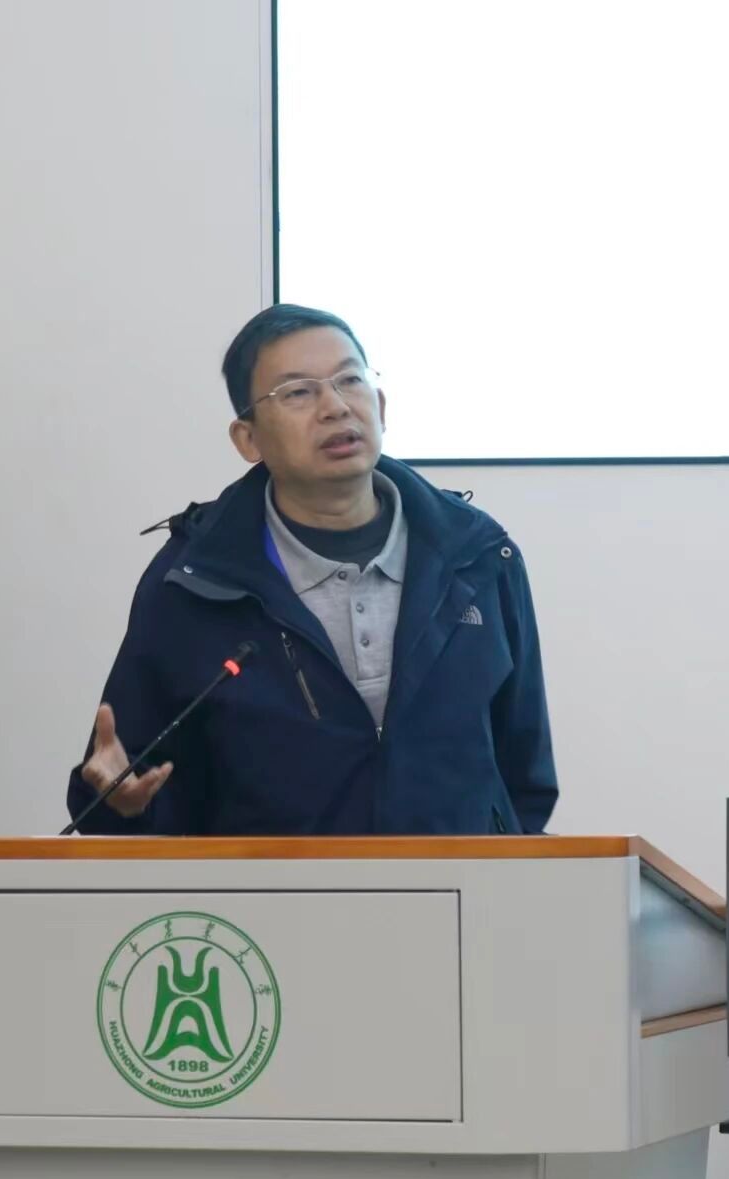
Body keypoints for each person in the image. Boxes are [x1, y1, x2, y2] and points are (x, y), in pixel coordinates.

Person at [65, 304, 556, 836]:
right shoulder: (195, 582)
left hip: (459, 885)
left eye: (350, 380)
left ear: (380, 406)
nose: (335, 407)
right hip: (267, 888)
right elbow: (131, 780)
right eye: (298, 392)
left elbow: (523, 773)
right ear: (248, 439)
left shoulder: (477, 558)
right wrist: (120, 805)